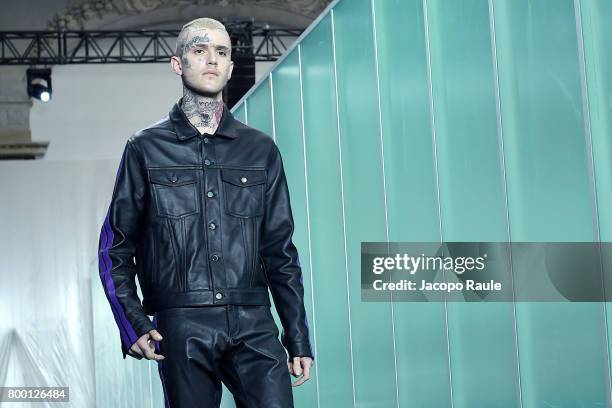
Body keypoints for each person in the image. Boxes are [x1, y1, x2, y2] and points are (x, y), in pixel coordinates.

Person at [97, 17, 314, 408]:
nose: (212, 59)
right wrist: (132, 323)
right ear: (178, 64)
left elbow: (280, 251)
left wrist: (297, 337)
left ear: (231, 66)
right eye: (199, 50)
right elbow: (115, 247)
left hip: (254, 321)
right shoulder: (145, 149)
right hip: (182, 323)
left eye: (221, 52)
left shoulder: (260, 150)